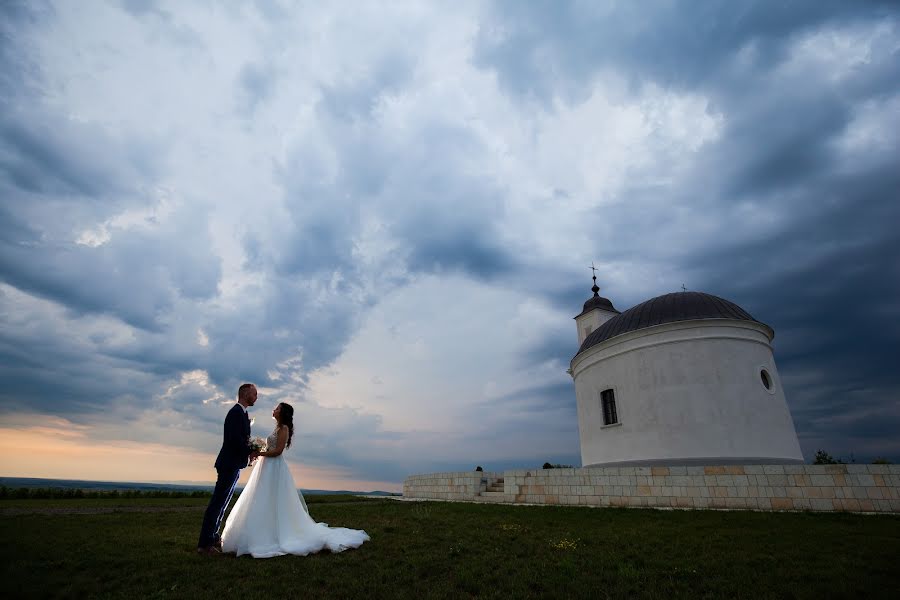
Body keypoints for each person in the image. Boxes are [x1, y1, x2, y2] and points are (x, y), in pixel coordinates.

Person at [221, 402, 370, 558]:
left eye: (277, 408)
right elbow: (271, 448)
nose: (274, 409)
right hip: (266, 467)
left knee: (274, 499)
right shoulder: (277, 428)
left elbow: (278, 452)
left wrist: (260, 454)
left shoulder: (284, 428)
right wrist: (260, 450)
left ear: (283, 413)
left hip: (275, 468)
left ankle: (275, 533)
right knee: (262, 498)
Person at [197, 383, 259, 554]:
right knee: (217, 503)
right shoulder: (235, 413)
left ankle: (214, 537)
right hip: (228, 463)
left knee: (223, 503)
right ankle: (204, 544)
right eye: (254, 394)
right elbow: (234, 440)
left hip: (235, 464)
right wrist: (251, 450)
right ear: (245, 394)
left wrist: (250, 451)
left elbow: (242, 439)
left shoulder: (243, 414)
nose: (256, 397)